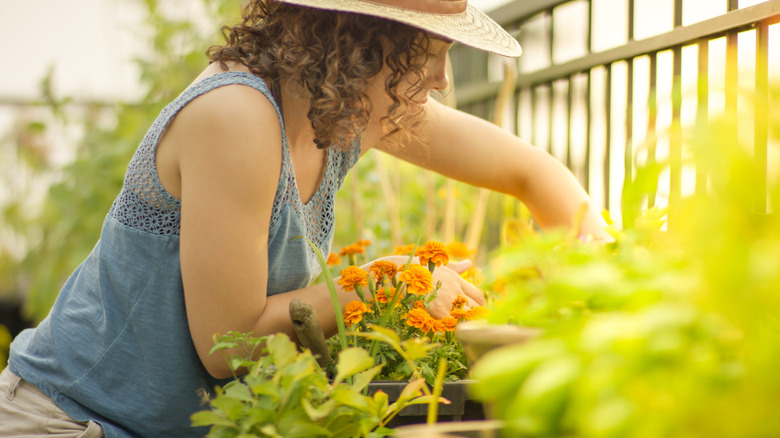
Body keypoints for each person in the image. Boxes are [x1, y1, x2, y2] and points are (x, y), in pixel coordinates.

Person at [0, 0, 610, 436]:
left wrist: (609, 289)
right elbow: (225, 345)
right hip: (68, 419)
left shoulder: (344, 108)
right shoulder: (236, 115)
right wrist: (382, 281)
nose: (443, 78)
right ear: (359, 38)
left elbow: (534, 173)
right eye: (431, 49)